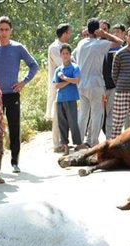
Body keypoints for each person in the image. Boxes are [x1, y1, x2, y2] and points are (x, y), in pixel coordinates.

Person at [0, 16, 38, 174]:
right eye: (1, 29)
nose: (4, 33)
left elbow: (34, 65)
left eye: (6, 29)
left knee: (14, 128)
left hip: (12, 94)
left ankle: (14, 161)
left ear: (11, 31)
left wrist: (24, 82)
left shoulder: (18, 47)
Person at [74, 19, 122, 148]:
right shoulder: (100, 44)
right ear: (97, 31)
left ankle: (78, 141)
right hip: (96, 84)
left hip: (82, 84)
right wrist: (105, 34)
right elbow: (120, 42)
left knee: (83, 114)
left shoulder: (81, 43)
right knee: (97, 114)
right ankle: (93, 141)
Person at [47, 24, 71, 152]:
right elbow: (63, 63)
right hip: (58, 85)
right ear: (65, 33)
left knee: (65, 116)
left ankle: (64, 142)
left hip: (66, 84)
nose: (70, 34)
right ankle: (56, 144)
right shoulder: (55, 47)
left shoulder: (63, 47)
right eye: (69, 32)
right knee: (57, 115)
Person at [54, 44, 82, 153]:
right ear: (60, 55)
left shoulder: (74, 67)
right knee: (62, 123)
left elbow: (76, 80)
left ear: (70, 55)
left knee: (73, 122)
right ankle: (65, 145)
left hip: (71, 98)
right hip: (60, 99)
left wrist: (64, 79)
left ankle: (78, 144)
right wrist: (68, 81)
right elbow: (56, 85)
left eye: (67, 53)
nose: (65, 56)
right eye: (63, 53)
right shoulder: (58, 70)